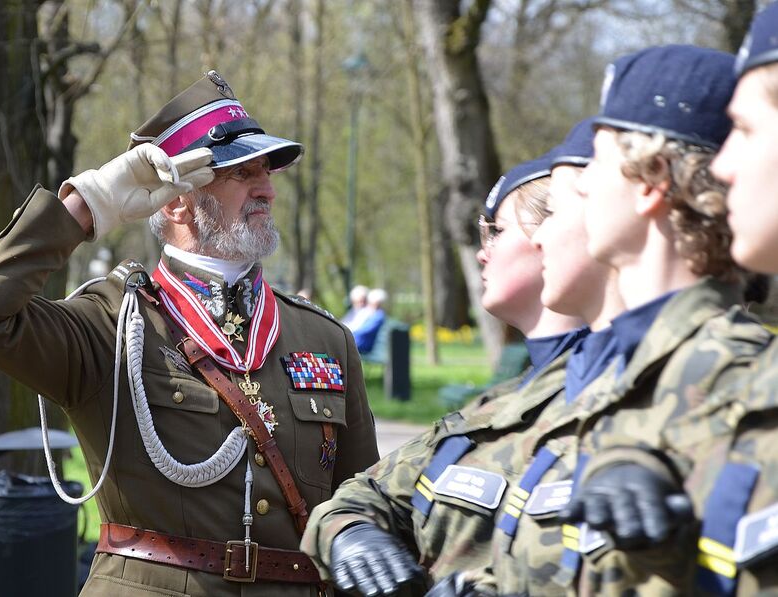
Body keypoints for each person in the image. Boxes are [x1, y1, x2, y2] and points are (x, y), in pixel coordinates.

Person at [0, 70, 379, 596]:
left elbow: (361, 503)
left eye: (267, 171)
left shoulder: (323, 338)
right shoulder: (108, 323)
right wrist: (89, 203)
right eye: (240, 173)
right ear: (174, 200)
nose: (267, 189)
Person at [301, 153, 609, 596]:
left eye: (497, 231)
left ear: (557, 234)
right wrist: (353, 533)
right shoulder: (491, 411)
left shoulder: (620, 394)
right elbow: (362, 496)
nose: (483, 252)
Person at [530, 46, 772, 595]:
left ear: (650, 180)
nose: (583, 184)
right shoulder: (608, 364)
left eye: (596, 160)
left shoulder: (730, 377)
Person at [353, 288, 388, 354]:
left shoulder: (378, 315)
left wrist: (350, 331)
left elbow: (365, 330)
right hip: (359, 342)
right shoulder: (373, 314)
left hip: (363, 345)